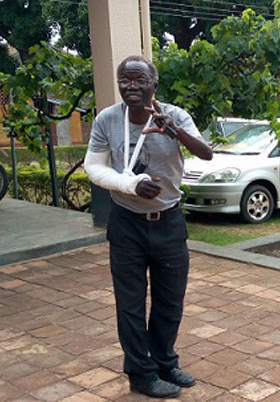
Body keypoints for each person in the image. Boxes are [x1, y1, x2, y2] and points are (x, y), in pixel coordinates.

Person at [84, 55, 213, 398]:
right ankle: (141, 374)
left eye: (139, 81)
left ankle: (164, 362)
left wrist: (175, 130)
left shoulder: (176, 115)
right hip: (126, 222)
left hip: (168, 220)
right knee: (130, 303)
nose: (131, 87)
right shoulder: (108, 119)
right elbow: (94, 168)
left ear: (154, 85)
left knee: (170, 300)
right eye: (125, 80)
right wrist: (130, 185)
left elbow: (206, 154)